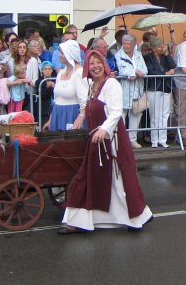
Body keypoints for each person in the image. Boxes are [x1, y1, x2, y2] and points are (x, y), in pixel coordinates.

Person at [59, 50, 153, 234]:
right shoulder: (92, 86)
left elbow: (116, 111)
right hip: (97, 140)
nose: (95, 66)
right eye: (91, 63)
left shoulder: (111, 84)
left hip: (112, 140)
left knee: (118, 181)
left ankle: (136, 217)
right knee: (93, 179)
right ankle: (81, 220)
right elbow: (89, 107)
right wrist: (81, 118)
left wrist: (104, 129)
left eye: (98, 62)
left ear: (104, 63)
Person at [43, 40, 88, 132]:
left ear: (70, 54)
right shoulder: (61, 73)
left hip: (71, 114)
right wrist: (51, 120)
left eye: (62, 53)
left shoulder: (79, 72)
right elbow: (57, 99)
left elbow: (84, 99)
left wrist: (81, 117)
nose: (60, 55)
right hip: (57, 114)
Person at [114, 34, 147, 149]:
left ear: (133, 45)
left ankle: (132, 139)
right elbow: (120, 70)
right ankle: (121, 140)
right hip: (124, 88)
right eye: (124, 43)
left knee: (136, 113)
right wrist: (133, 72)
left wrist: (140, 72)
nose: (126, 46)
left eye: (128, 44)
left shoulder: (138, 55)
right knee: (122, 114)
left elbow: (145, 69)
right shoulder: (118, 55)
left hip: (137, 88)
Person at [144, 37, 176, 148]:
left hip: (165, 88)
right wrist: (165, 73)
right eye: (159, 46)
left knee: (164, 114)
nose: (161, 48)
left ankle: (163, 139)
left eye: (162, 46)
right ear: (153, 48)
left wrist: (167, 53)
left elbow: (173, 65)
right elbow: (151, 71)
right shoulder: (147, 57)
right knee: (155, 115)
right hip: (153, 88)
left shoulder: (164, 56)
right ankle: (154, 140)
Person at [35, 61, 55, 125]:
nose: (47, 71)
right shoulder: (39, 81)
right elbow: (42, 95)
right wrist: (47, 86)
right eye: (45, 69)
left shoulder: (56, 79)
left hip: (55, 107)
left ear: (52, 70)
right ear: (42, 71)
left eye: (49, 69)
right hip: (45, 109)